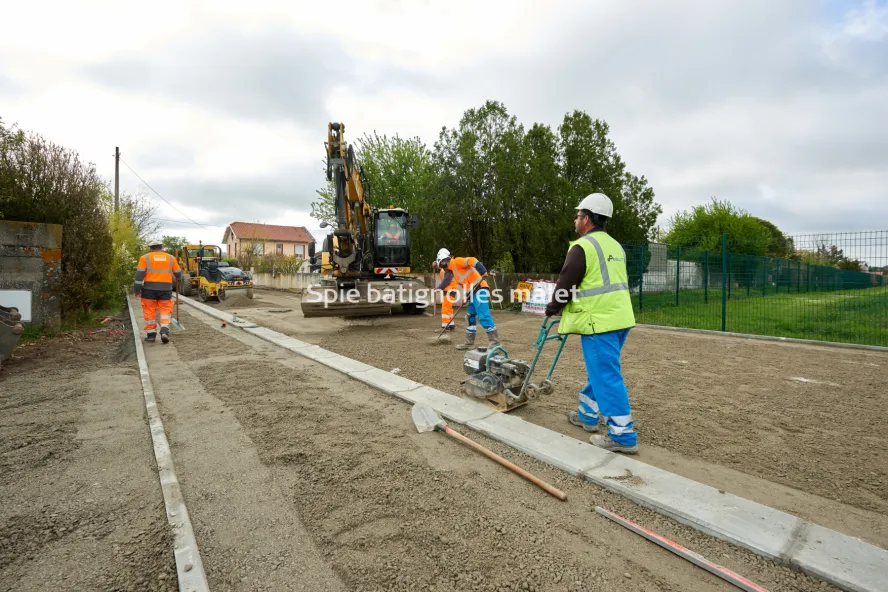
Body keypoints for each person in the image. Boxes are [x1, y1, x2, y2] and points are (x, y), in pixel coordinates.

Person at [545, 193, 638, 454]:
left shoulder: (582, 247)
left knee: (606, 375)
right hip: (621, 319)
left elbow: (567, 282)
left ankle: (622, 435)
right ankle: (587, 415)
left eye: (577, 216)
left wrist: (552, 308)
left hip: (600, 322)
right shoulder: (615, 246)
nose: (575, 220)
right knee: (601, 370)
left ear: (586, 219)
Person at [435, 248, 500, 350]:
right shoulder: (454, 272)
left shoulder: (456, 262)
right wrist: (466, 296)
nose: (443, 270)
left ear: (444, 263)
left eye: (442, 267)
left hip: (480, 289)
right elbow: (467, 283)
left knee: (483, 315)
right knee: (470, 317)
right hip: (473, 291)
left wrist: (483, 271)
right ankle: (470, 343)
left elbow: (472, 260)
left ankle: (495, 343)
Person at [134, 239, 183, 344]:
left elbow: (139, 276)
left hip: (149, 290)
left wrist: (136, 290)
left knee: (149, 311)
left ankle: (151, 335)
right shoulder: (171, 258)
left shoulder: (144, 258)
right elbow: (178, 273)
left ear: (150, 248)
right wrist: (178, 277)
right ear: (162, 247)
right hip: (166, 290)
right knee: (165, 310)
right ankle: (164, 329)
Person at [432, 258, 459, 334]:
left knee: (445, 308)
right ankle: (451, 325)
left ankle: (445, 327)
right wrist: (435, 263)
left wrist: (438, 288)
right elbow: (441, 266)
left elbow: (445, 281)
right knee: (449, 308)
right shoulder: (447, 266)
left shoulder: (448, 270)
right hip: (451, 289)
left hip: (449, 289)